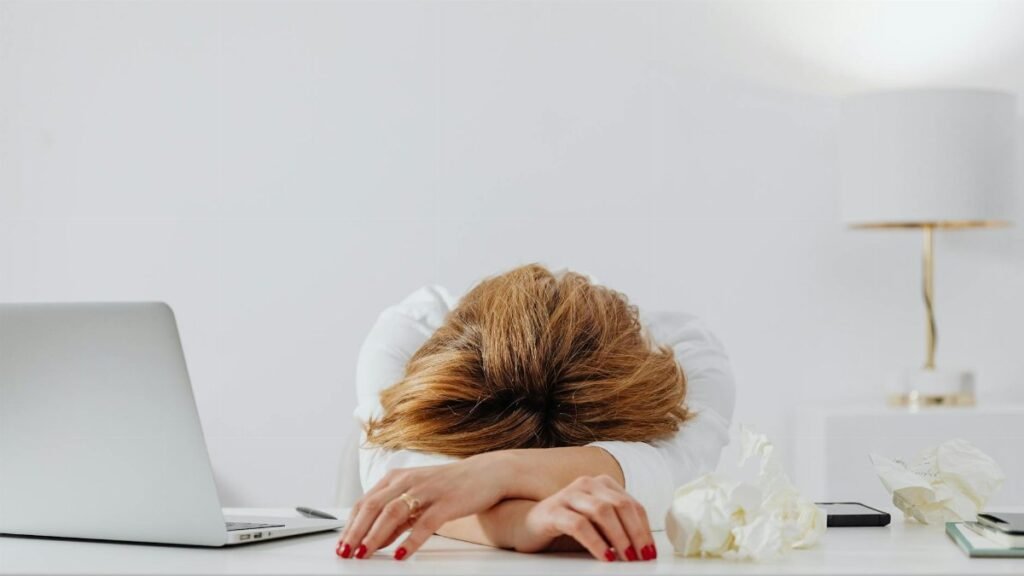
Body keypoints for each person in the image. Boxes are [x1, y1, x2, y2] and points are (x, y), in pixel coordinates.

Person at [337, 264, 735, 562]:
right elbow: (408, 483)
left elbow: (676, 475)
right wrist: (520, 522)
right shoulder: (413, 328)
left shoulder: (687, 354)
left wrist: (498, 472)